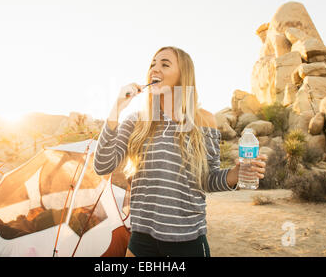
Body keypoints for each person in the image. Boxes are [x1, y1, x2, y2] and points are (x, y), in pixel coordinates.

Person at [93, 46, 267, 257]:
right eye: (152, 64)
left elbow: (207, 180)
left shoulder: (204, 120)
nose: (154, 69)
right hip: (141, 238)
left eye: (164, 64)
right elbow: (102, 165)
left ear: (183, 75)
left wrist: (235, 174)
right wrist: (116, 109)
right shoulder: (136, 121)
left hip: (187, 240)